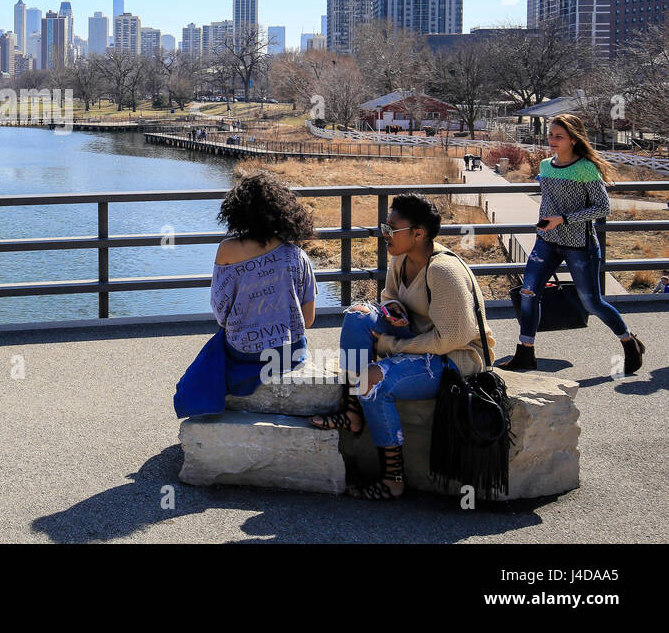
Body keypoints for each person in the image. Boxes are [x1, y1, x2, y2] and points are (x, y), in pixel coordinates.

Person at [311, 193, 494, 501]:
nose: (384, 234)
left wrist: (392, 343)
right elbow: (389, 295)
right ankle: (353, 409)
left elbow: (452, 338)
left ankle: (393, 478)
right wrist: (393, 308)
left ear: (418, 233)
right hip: (420, 342)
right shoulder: (401, 258)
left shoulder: (442, 271)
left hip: (454, 360)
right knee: (358, 315)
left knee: (372, 379)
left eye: (391, 228)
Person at [500, 114, 646, 374]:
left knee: (591, 302)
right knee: (528, 292)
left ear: (573, 139)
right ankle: (525, 352)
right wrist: (546, 221)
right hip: (547, 240)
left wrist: (563, 219)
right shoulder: (545, 165)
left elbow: (603, 207)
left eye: (559, 136)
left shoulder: (586, 168)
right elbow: (549, 199)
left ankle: (628, 341)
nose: (552, 141)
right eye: (551, 135)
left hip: (579, 244)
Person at [176, 172, 318, 414]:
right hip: (291, 352)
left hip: (245, 353)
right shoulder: (297, 255)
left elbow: (221, 314)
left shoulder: (228, 250)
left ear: (237, 211)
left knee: (211, 355)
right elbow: (309, 320)